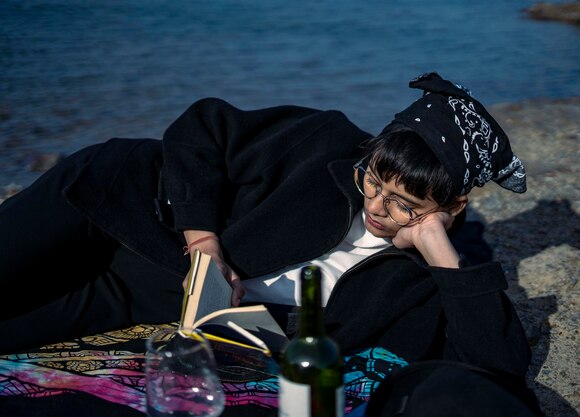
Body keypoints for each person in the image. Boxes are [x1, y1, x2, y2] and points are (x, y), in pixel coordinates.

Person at [0, 72, 541, 415]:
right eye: (374, 180)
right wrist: (204, 241)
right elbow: (201, 125)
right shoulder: (326, 140)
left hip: (141, 293)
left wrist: (438, 248)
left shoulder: (425, 278)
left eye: (405, 204)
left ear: (452, 209)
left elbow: (496, 371)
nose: (376, 207)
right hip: (109, 203)